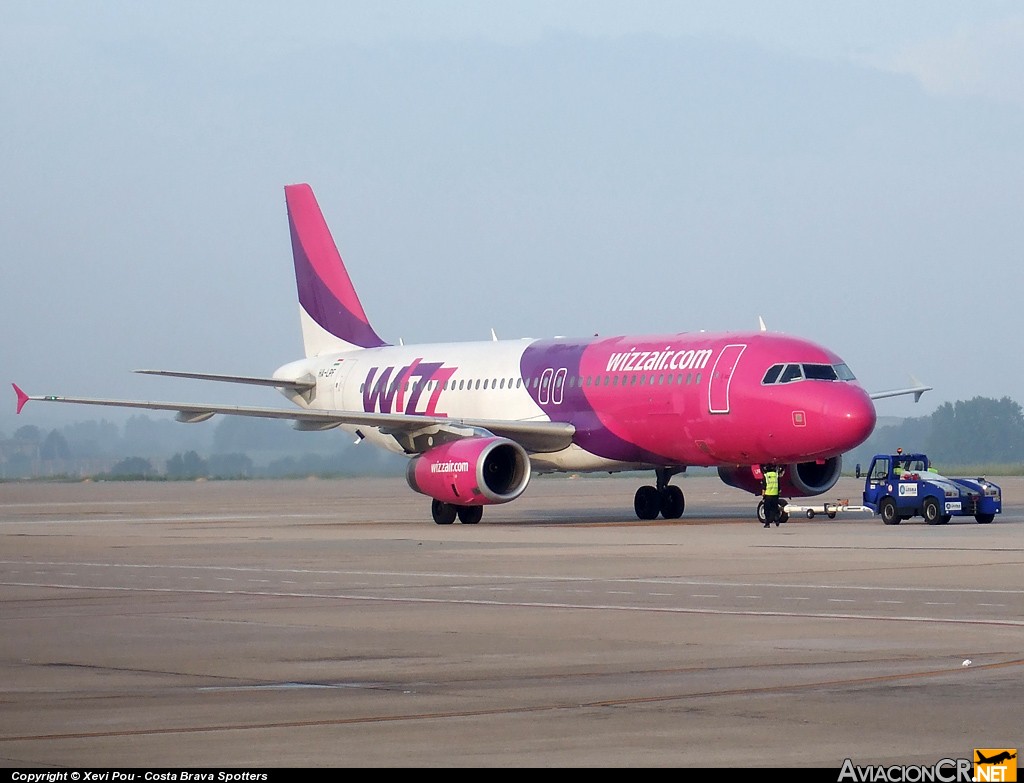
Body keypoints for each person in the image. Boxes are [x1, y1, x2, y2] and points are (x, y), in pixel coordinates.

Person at [762, 463, 781, 528]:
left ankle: (767, 524)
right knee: (774, 509)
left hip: (768, 495)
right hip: (775, 495)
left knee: (767, 510)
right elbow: (779, 486)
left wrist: (763, 495)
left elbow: (764, 487)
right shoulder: (776, 475)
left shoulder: (766, 476)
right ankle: (776, 519)